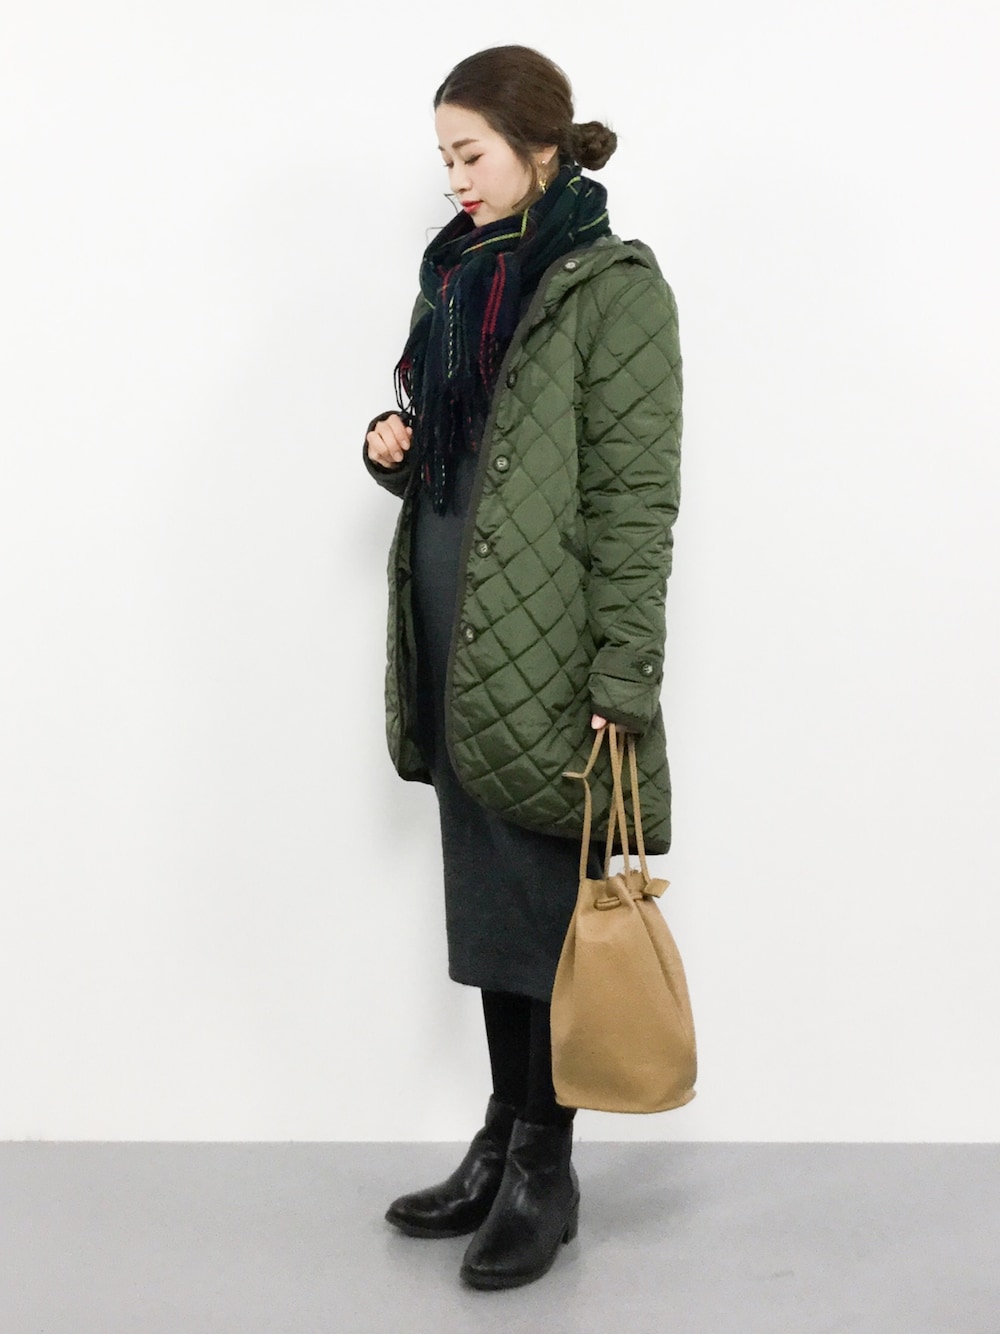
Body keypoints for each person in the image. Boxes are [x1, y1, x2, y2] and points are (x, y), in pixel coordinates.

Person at [362, 45, 683, 1290]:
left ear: (540, 145)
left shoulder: (612, 290)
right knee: (492, 899)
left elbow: (635, 499)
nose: (454, 177)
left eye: (471, 152)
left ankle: (547, 1164)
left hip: (552, 646)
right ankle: (502, 1134)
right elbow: (466, 452)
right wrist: (392, 449)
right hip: (453, 623)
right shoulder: (456, 278)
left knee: (547, 905)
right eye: (443, 157)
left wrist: (623, 675)